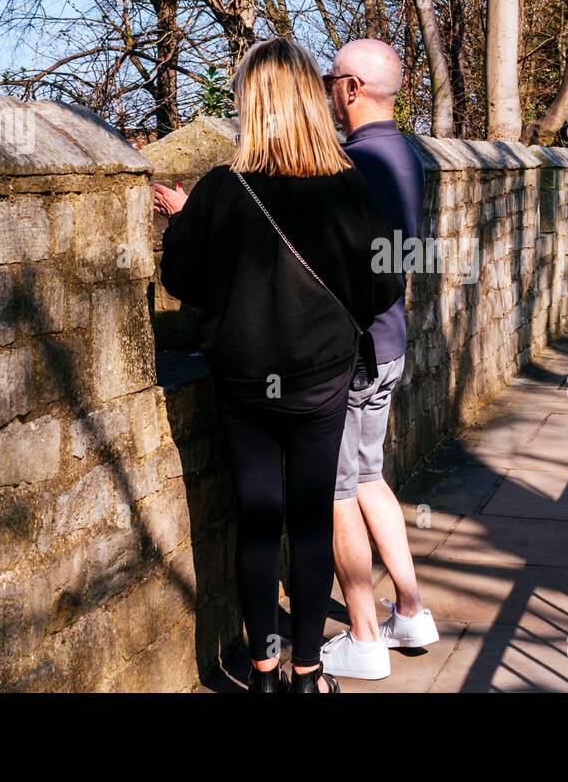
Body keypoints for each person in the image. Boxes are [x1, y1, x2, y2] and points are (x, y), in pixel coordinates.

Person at [155, 37, 404, 694]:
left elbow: (183, 278)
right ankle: (307, 671)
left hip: (243, 384)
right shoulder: (347, 185)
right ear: (305, 99)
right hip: (321, 381)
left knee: (257, 521)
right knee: (311, 520)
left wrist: (191, 229)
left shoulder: (221, 191)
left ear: (252, 104)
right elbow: (386, 280)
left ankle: (262, 673)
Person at [317, 39, 439, 680]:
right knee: (369, 476)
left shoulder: (353, 165)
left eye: (329, 79)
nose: (326, 90)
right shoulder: (407, 156)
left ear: (352, 88)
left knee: (338, 491)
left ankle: (364, 636)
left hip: (355, 349)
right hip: (388, 341)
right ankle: (411, 611)